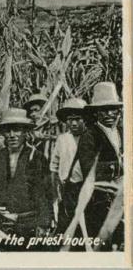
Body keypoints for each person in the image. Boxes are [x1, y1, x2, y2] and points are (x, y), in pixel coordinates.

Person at [0, 108, 51, 242]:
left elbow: (45, 193)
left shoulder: (36, 157)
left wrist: (43, 223)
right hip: (2, 224)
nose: (12, 135)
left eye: (17, 130)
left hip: (28, 222)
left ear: (25, 132)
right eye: (8, 131)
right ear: (3, 133)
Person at [77, 82, 123, 248]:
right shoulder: (89, 137)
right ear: (96, 112)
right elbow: (89, 170)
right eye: (104, 110)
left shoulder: (122, 132)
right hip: (100, 202)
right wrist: (118, 167)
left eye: (113, 109)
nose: (110, 114)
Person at [50, 98, 86, 234]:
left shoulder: (91, 138)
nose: (74, 123)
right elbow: (54, 167)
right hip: (68, 188)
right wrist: (56, 193)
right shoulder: (63, 139)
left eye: (78, 119)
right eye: (70, 120)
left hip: (87, 188)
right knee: (66, 225)